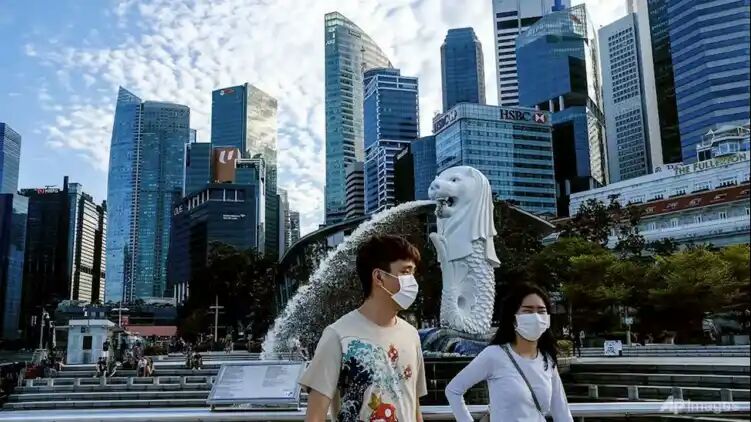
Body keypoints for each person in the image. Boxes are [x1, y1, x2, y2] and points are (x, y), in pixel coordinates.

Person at [299, 235, 427, 422]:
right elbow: (315, 417)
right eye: (405, 272)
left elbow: (414, 407)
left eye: (413, 273)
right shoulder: (338, 336)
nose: (412, 281)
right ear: (378, 277)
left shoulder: (411, 335)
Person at [445, 283, 573, 422]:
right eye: (528, 311)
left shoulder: (547, 360)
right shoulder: (494, 355)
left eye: (541, 311)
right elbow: (453, 390)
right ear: (513, 317)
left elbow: (562, 412)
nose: (536, 316)